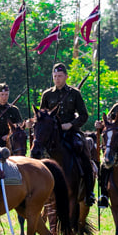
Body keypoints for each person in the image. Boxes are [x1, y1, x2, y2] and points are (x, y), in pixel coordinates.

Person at [39, 62, 96, 206]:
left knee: (84, 153)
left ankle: (89, 191)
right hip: (52, 135)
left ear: (66, 76)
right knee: (37, 152)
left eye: (60, 76)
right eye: (55, 76)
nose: (57, 79)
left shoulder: (74, 93)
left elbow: (84, 115)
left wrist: (70, 124)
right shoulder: (47, 95)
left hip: (71, 132)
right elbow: (41, 116)